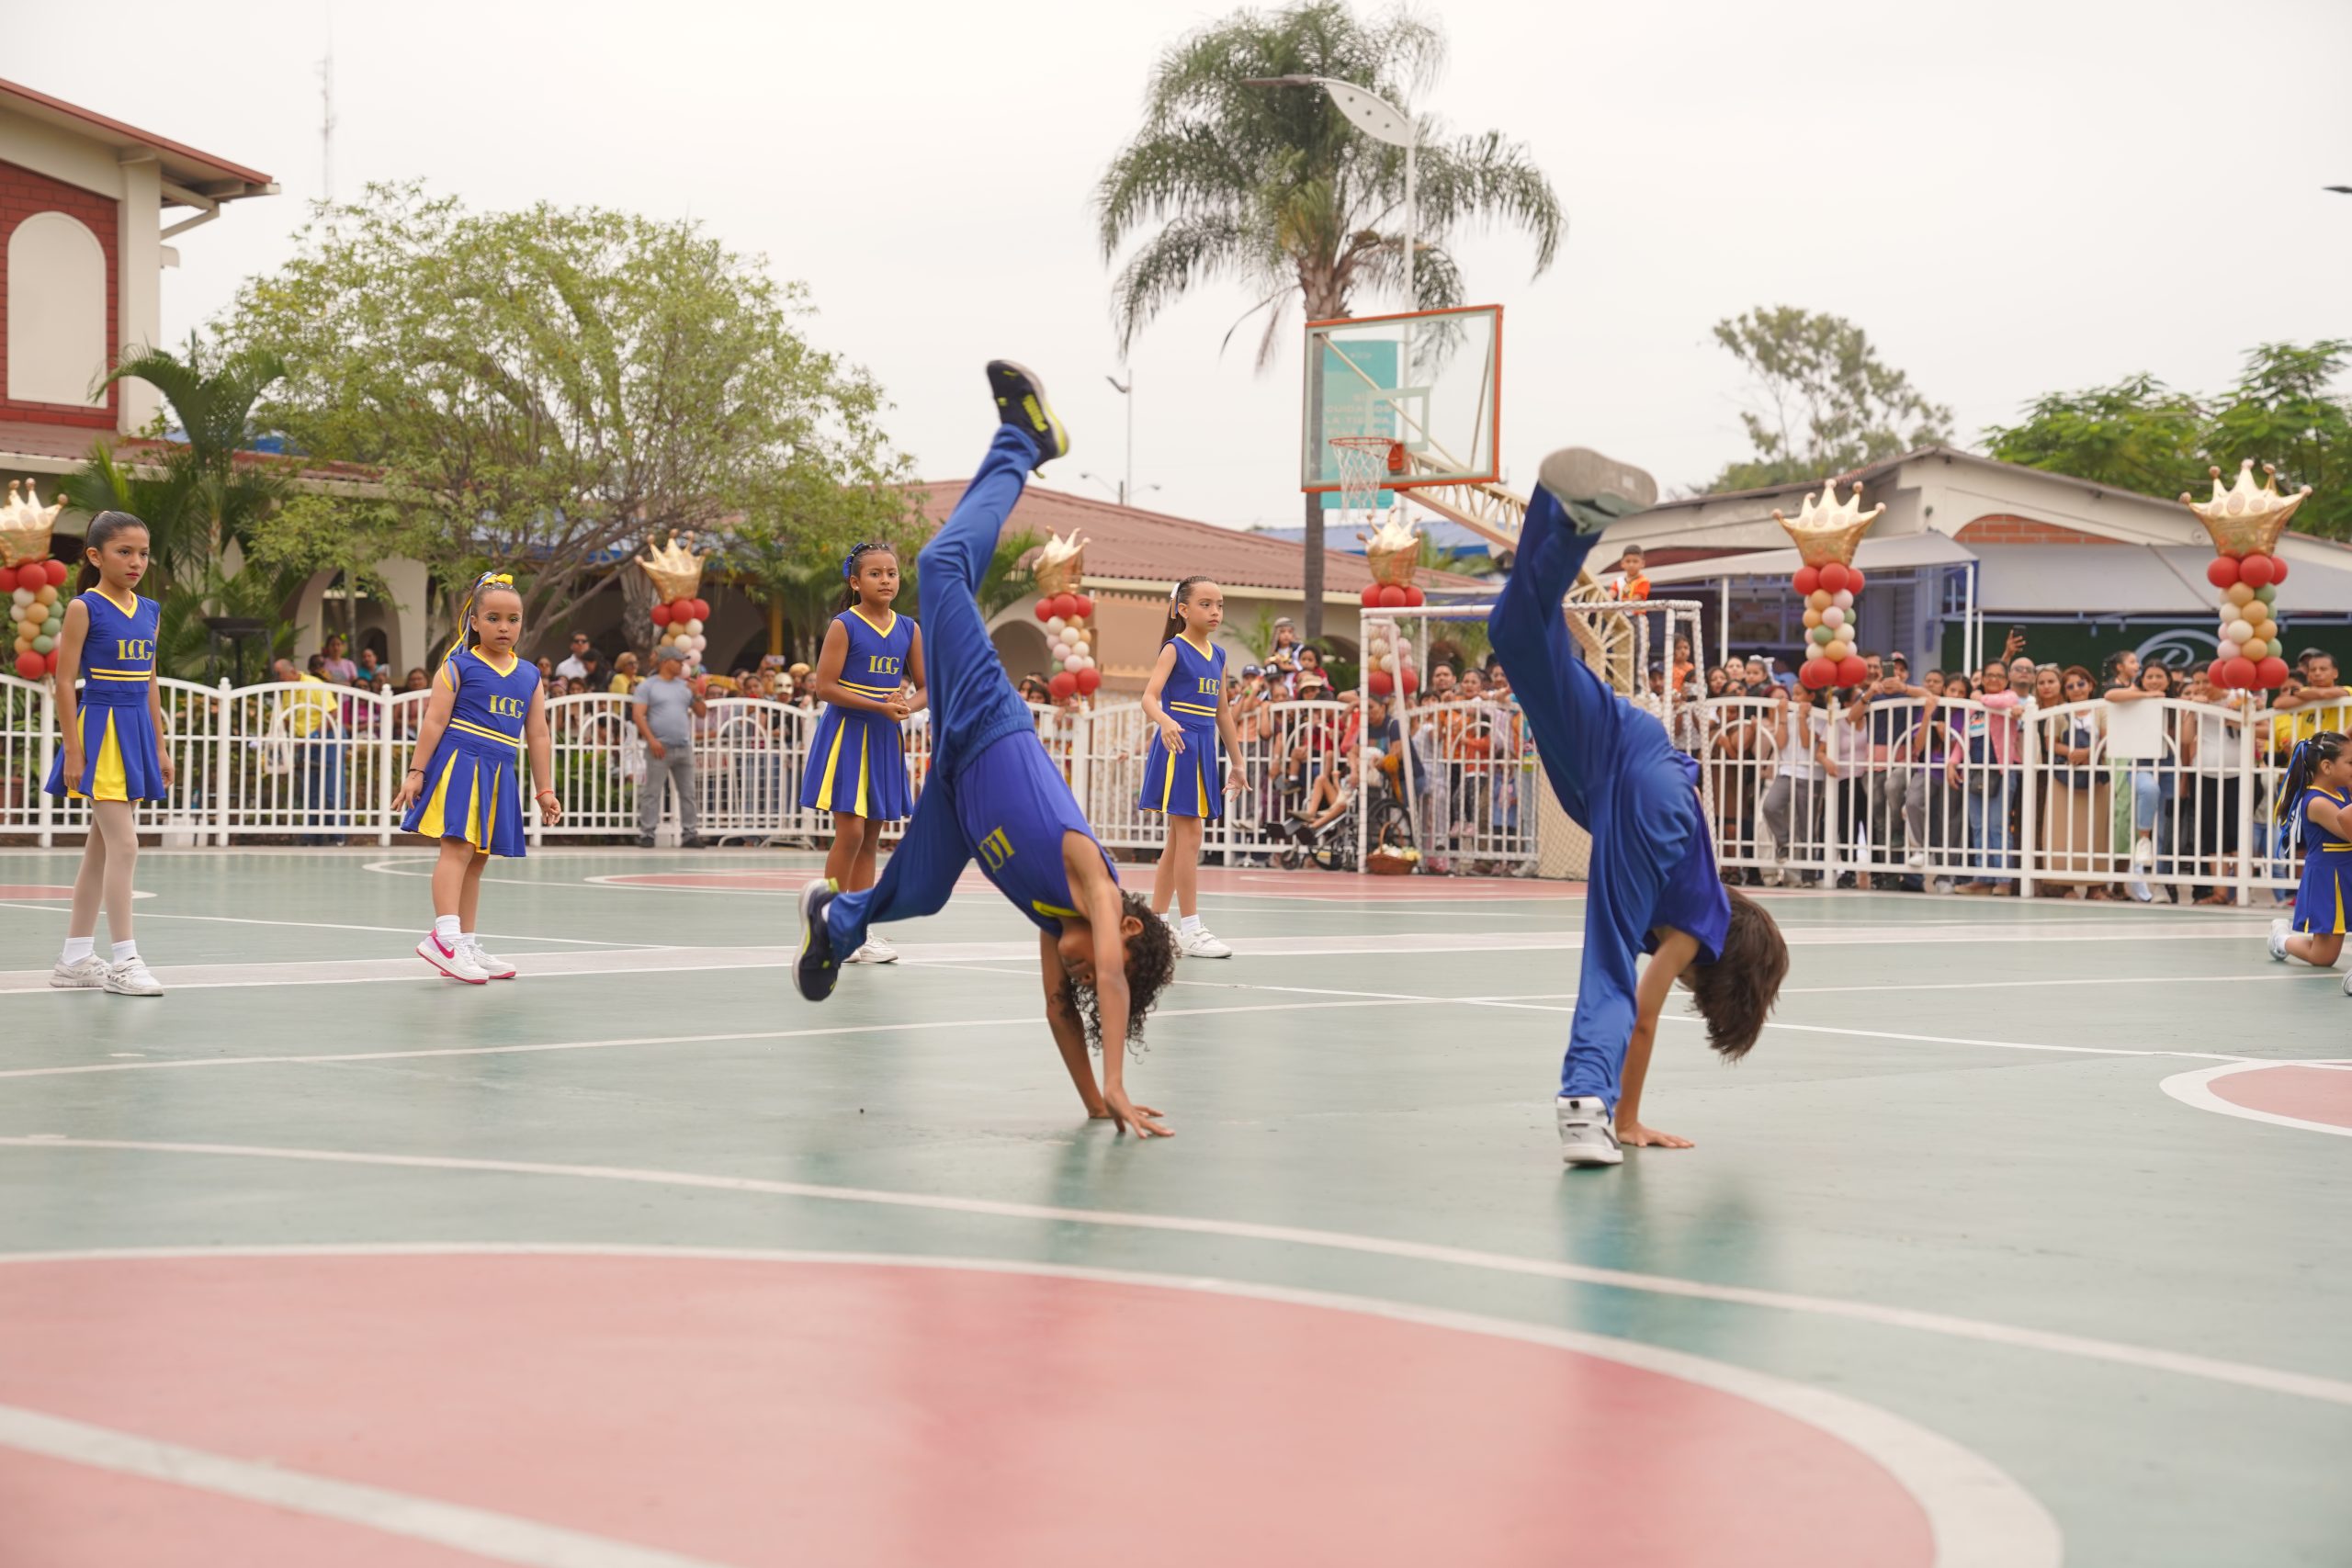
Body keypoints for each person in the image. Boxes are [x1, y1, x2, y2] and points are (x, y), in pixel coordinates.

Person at [795, 362, 1178, 1138]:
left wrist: (1095, 1101)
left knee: (920, 893)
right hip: (988, 724)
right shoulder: (1093, 882)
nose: (1079, 969)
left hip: (957, 786)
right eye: (1092, 963)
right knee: (939, 565)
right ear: (1127, 930)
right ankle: (1024, 441)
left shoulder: (1052, 920)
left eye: (1078, 968)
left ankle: (835, 920)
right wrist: (1118, 1076)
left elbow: (1059, 1011)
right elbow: (1108, 974)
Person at [1490, 448, 1788, 1167]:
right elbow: (1646, 1015)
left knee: (1517, 635)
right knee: (1610, 956)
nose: (1681, 980)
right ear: (1721, 975)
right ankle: (1588, 1104)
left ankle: (1569, 518)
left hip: (1625, 747)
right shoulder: (1695, 929)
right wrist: (1631, 1118)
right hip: (1645, 789)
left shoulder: (1697, 896)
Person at [389, 572, 562, 982]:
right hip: (460, 763)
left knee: (478, 857)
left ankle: (464, 942)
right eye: (493, 618)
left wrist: (545, 789)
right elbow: (434, 722)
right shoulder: (458, 666)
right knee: (457, 849)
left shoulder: (529, 675)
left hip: (499, 768)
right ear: (474, 621)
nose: (504, 627)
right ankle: (444, 939)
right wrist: (416, 772)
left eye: (513, 619)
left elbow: (538, 733)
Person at [40, 511, 171, 997]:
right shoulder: (84, 607)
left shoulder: (151, 610)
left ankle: (75, 958)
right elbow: (63, 683)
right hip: (100, 731)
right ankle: (124, 960)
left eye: (143, 553)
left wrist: (159, 744)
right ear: (96, 556)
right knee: (126, 845)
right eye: (124, 552)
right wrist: (74, 752)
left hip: (135, 731)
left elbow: (150, 680)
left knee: (101, 849)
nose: (136, 561)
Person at [801, 540, 926, 963]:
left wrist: (907, 706)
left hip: (884, 737)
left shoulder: (908, 628)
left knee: (872, 834)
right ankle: (828, 923)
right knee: (851, 831)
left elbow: (927, 688)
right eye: (875, 574)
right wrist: (879, 705)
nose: (885, 580)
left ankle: (857, 929)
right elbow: (825, 687)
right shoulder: (844, 625)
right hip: (847, 734)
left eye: (891, 573)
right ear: (855, 582)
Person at [1138, 575, 1244, 959]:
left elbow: (1223, 712)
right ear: (1182, 609)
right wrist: (1166, 721)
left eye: (1220, 605)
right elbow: (1149, 697)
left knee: (1178, 840)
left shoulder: (1219, 656)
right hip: (1179, 745)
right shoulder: (1174, 649)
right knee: (1191, 833)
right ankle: (1192, 929)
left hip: (1203, 747)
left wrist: (1237, 762)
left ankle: (1156, 924)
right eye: (1206, 604)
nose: (1215, 611)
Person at [2268, 732, 2352, 979]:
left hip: (2345, 869)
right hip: (2330, 878)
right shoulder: (2316, 802)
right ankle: (2281, 939)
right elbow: (2348, 831)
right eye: (2350, 762)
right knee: (2323, 957)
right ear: (2326, 767)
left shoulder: (2341, 791)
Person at [633, 646, 708, 848]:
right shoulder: (648, 686)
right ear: (665, 662)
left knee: (688, 792)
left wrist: (697, 694)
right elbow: (638, 715)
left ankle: (690, 833)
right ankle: (647, 833)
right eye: (678, 661)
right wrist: (652, 740)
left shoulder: (685, 686)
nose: (682, 665)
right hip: (660, 746)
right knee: (652, 791)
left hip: (683, 745)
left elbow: (701, 713)